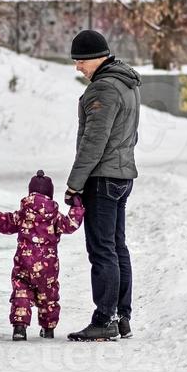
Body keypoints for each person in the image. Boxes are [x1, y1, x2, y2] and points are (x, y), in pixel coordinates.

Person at [63, 30, 140, 342]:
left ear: (98, 57)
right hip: (121, 176)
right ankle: (122, 317)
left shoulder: (103, 89)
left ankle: (104, 318)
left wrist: (74, 184)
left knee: (102, 250)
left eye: (81, 60)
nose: (78, 66)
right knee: (116, 246)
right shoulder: (126, 83)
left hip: (102, 178)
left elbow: (94, 143)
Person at [0, 170, 84, 340]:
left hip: (24, 263)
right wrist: (77, 207)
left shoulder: (24, 213)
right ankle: (48, 328)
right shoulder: (54, 217)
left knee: (21, 292)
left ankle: (19, 328)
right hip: (48, 267)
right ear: (49, 195)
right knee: (48, 296)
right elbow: (71, 225)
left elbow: (3, 223)